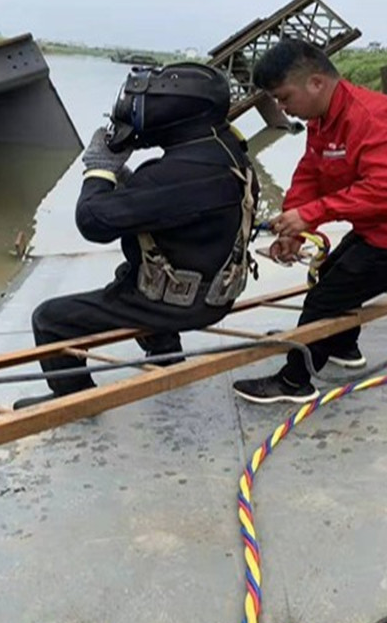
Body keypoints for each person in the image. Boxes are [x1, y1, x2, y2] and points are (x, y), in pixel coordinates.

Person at [233, 38, 387, 405]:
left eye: (284, 98)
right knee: (330, 274)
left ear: (316, 82)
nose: (282, 108)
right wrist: (297, 227)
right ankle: (343, 346)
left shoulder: (373, 119)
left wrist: (312, 214)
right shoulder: (324, 115)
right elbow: (311, 170)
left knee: (324, 299)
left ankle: (295, 381)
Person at [14, 63, 258, 409]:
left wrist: (99, 168)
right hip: (218, 287)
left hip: (182, 305)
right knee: (129, 274)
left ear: (178, 111)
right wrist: (127, 181)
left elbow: (93, 222)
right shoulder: (228, 150)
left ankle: (74, 399)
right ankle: (166, 355)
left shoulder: (173, 175)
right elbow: (179, 205)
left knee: (51, 319)